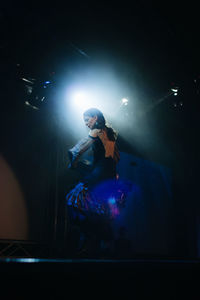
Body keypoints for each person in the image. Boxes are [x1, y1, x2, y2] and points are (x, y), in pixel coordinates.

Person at [65, 108, 125, 257]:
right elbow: (116, 157)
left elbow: (79, 149)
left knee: (73, 199)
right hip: (109, 176)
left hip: (99, 174)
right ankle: (95, 240)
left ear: (95, 117)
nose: (86, 124)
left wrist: (73, 162)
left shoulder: (96, 130)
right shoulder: (110, 133)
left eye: (87, 120)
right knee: (98, 207)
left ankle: (90, 235)